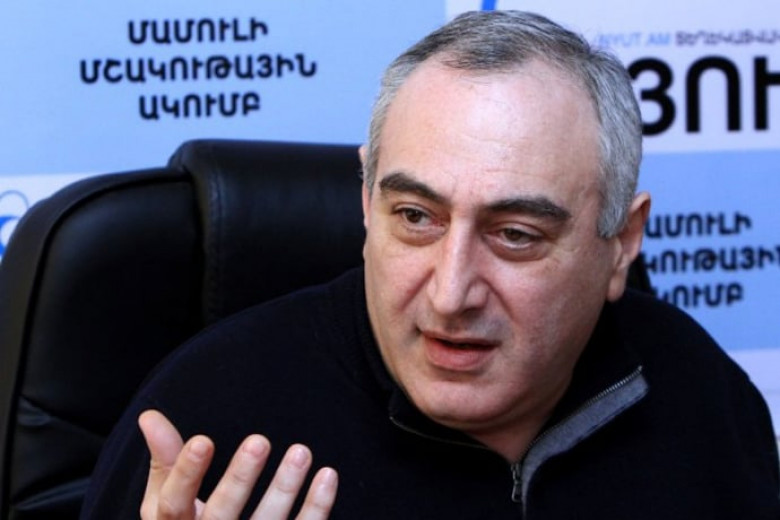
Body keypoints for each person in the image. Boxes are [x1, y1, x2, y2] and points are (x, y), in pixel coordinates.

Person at [80, 10, 780, 519]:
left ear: (621, 242)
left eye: (515, 235)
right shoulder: (207, 425)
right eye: (416, 218)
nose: (450, 294)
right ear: (366, 202)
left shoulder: (699, 392)